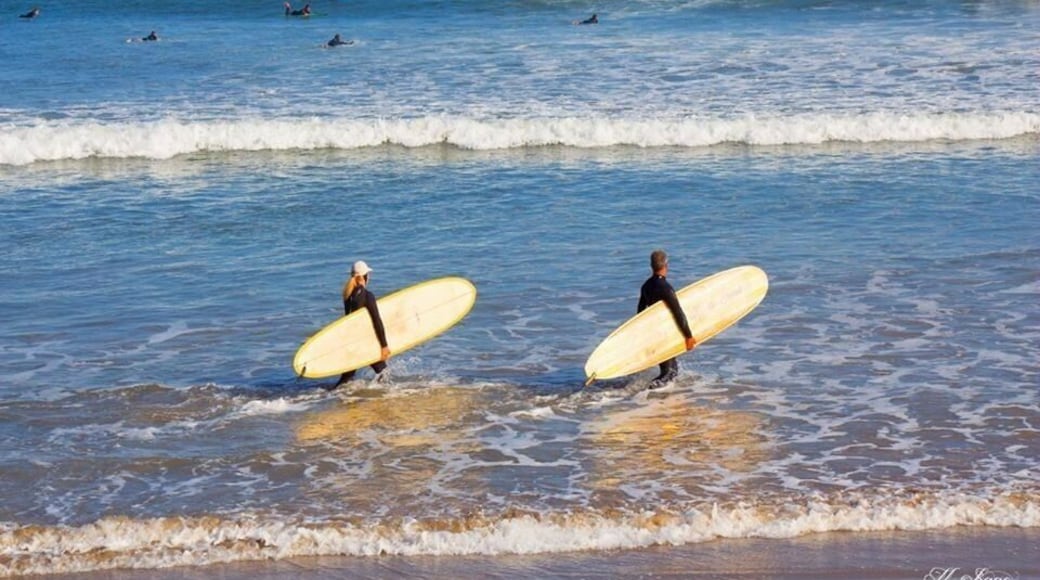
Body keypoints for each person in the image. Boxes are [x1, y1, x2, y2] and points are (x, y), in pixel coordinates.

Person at [638, 249, 696, 388]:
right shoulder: (666, 288)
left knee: (671, 370)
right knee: (669, 373)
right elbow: (678, 313)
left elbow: (640, 313)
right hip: (666, 333)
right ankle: (648, 391)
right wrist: (688, 336)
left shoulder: (646, 286)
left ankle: (663, 400)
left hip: (654, 332)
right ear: (666, 265)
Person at [334, 260, 391, 388]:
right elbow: (377, 321)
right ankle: (381, 400)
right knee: (383, 373)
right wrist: (384, 346)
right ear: (365, 277)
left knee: (346, 379)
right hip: (364, 343)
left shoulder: (347, 295)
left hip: (351, 343)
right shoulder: (367, 296)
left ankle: (330, 397)